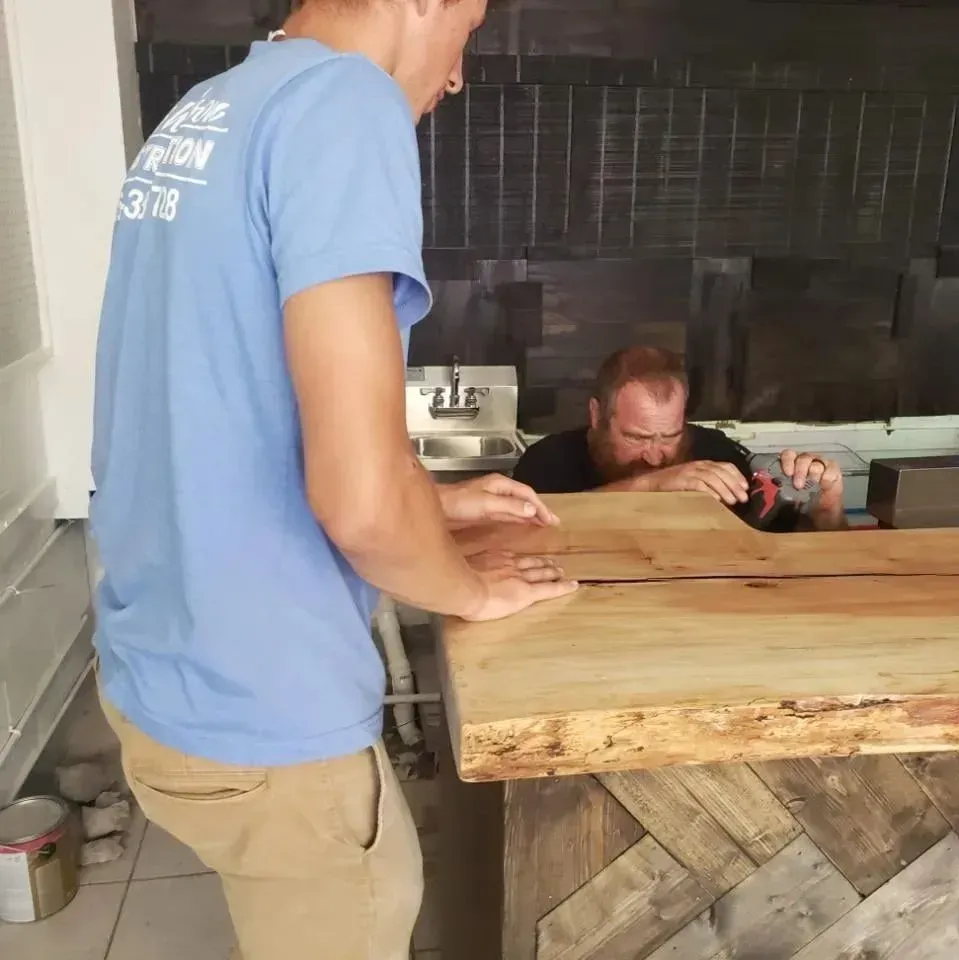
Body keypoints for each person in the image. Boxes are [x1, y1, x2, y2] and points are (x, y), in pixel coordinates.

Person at [90, 1, 577, 958]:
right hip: (266, 699)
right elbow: (357, 504)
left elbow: (221, 409)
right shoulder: (344, 105)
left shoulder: (210, 109)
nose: (456, 74)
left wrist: (426, 501)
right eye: (467, 31)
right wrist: (470, 587)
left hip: (160, 668)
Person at [513, 346, 848, 532]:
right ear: (596, 415)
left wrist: (827, 511)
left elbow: (792, 554)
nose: (655, 457)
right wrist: (652, 485)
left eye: (670, 436)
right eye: (636, 437)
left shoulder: (717, 453)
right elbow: (533, 530)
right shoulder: (547, 461)